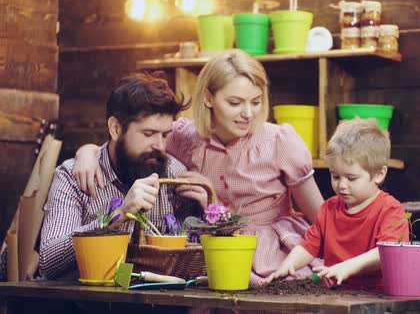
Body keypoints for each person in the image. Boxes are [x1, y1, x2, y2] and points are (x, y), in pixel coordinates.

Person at [72, 49, 325, 285]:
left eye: (256, 102)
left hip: (273, 252)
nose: (248, 113)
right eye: (235, 103)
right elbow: (136, 143)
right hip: (207, 254)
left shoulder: (279, 142)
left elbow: (323, 220)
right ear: (208, 98)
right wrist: (88, 152)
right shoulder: (184, 137)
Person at [39, 73, 206, 280]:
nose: (160, 146)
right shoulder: (74, 176)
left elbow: (194, 260)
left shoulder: (174, 173)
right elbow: (49, 261)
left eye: (164, 135)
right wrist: (115, 217)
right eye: (148, 134)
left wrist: (208, 215)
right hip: (84, 304)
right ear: (116, 129)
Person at [263, 118, 409, 291]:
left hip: (377, 296)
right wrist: (287, 266)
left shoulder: (390, 210)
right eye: (336, 176)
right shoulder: (328, 209)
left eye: (351, 178)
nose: (342, 185)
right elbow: (309, 246)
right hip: (336, 293)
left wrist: (347, 267)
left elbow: (386, 253)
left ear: (379, 174)